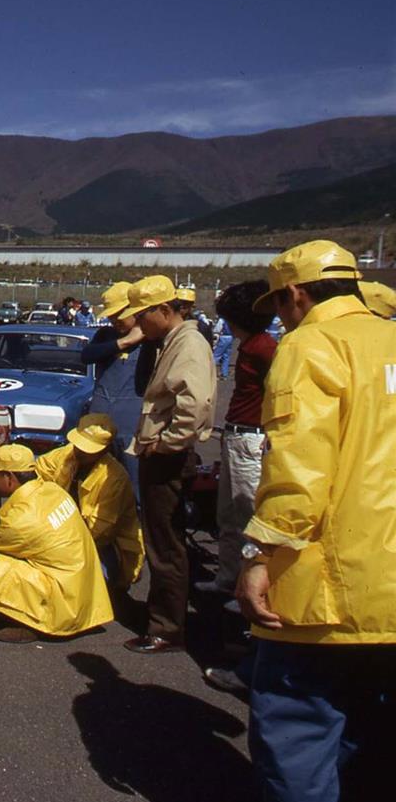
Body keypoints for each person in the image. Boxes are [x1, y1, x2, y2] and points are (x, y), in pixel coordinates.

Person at [234, 240, 395, 802]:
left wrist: (259, 558)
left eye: (279, 305)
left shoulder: (309, 345)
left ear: (295, 294)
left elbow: (299, 474)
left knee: (297, 733)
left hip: (326, 586)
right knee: (374, 736)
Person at [123, 274, 216, 654]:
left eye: (143, 316)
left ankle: (166, 627)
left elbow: (195, 405)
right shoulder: (169, 341)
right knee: (163, 537)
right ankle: (163, 615)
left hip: (167, 457)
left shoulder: (189, 344)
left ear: (165, 310)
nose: (138, 324)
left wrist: (166, 444)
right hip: (159, 453)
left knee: (166, 544)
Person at [0, 444, 113, 642]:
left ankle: (29, 621)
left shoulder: (21, 519)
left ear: (9, 478)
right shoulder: (52, 490)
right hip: (83, 596)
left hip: (60, 604)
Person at [195, 280, 277, 600]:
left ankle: (249, 587)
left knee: (246, 515)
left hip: (251, 438)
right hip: (235, 435)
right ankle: (227, 578)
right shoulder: (250, 344)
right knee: (227, 514)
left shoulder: (265, 347)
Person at [35, 414, 143, 595]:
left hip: (102, 547)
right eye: (79, 446)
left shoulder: (115, 478)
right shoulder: (67, 454)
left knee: (81, 583)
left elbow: (98, 533)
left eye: (88, 450)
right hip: (58, 532)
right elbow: (40, 471)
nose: (80, 452)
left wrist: (54, 544)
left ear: (103, 450)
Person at [80, 282, 145, 499]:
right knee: (96, 484)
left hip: (133, 429)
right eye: (111, 316)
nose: (114, 320)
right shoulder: (106, 336)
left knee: (134, 485)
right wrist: (125, 342)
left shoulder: (152, 342)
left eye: (120, 314)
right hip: (99, 427)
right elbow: (86, 356)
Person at [211, 314, 234, 379]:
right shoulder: (230, 320)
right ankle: (224, 374)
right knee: (226, 356)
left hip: (224, 337)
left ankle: (210, 372)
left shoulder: (222, 320)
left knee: (216, 355)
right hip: (230, 337)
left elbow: (217, 330)